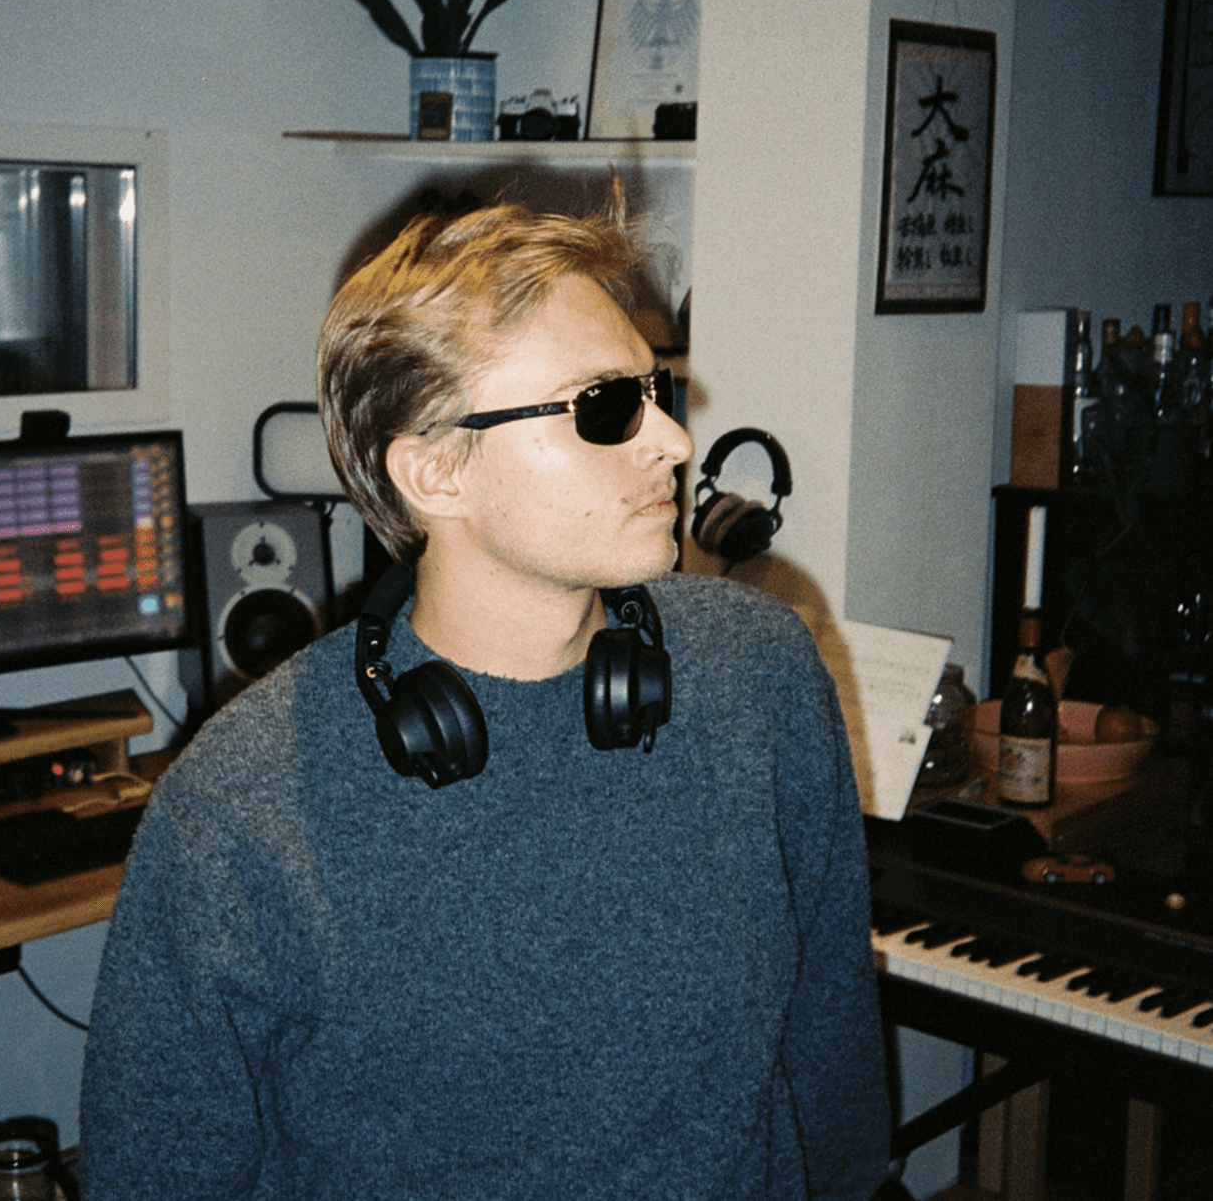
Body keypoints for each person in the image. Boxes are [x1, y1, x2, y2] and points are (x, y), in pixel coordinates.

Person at [79, 196, 889, 1200]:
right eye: (606, 408)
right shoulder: (239, 806)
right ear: (434, 471)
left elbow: (832, 1054)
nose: (676, 442)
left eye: (659, 390)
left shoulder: (758, 672)